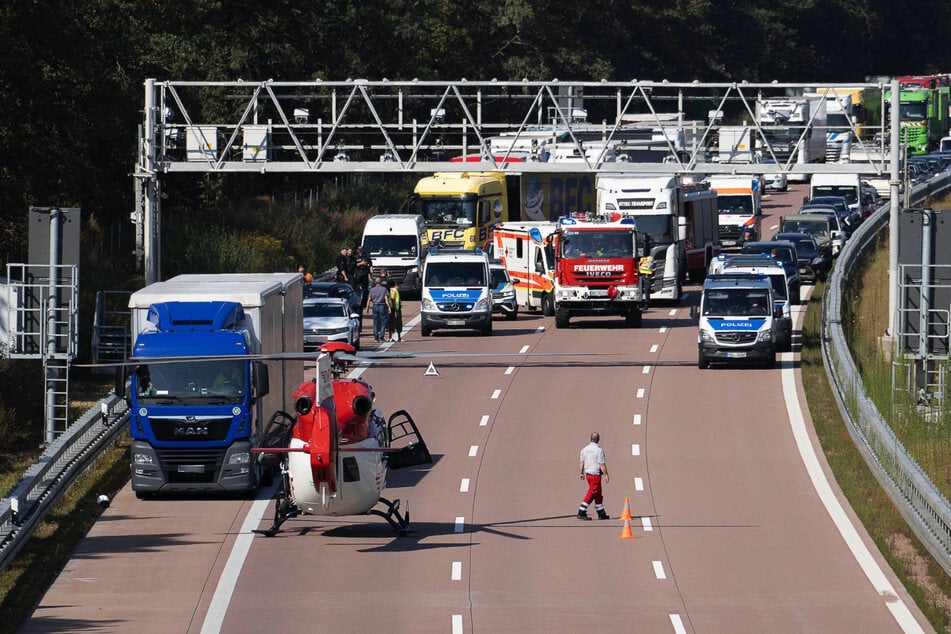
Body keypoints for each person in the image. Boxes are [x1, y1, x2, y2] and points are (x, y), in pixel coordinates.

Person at [578, 432, 610, 520]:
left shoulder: (584, 450)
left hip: (588, 475)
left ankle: (601, 512)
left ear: (590, 439)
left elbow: (581, 463)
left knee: (598, 494)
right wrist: (606, 474)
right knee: (592, 493)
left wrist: (581, 473)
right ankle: (581, 511)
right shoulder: (599, 450)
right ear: (598, 440)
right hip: (595, 475)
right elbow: (602, 464)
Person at [368, 276, 389, 343]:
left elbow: (369, 299)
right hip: (382, 305)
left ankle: (376, 337)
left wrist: (367, 307)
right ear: (381, 282)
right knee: (383, 321)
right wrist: (389, 307)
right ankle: (381, 336)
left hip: (375, 305)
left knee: (375, 322)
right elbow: (386, 299)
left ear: (375, 282)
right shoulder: (384, 289)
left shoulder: (372, 289)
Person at [353, 246, 372, 312]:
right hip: (358, 274)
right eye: (359, 250)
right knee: (356, 288)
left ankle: (364, 303)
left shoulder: (366, 256)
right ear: (358, 250)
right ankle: (356, 302)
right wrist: (361, 263)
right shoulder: (355, 257)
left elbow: (370, 265)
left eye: (361, 250)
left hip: (365, 274)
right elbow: (354, 265)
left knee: (365, 289)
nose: (360, 251)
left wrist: (371, 273)